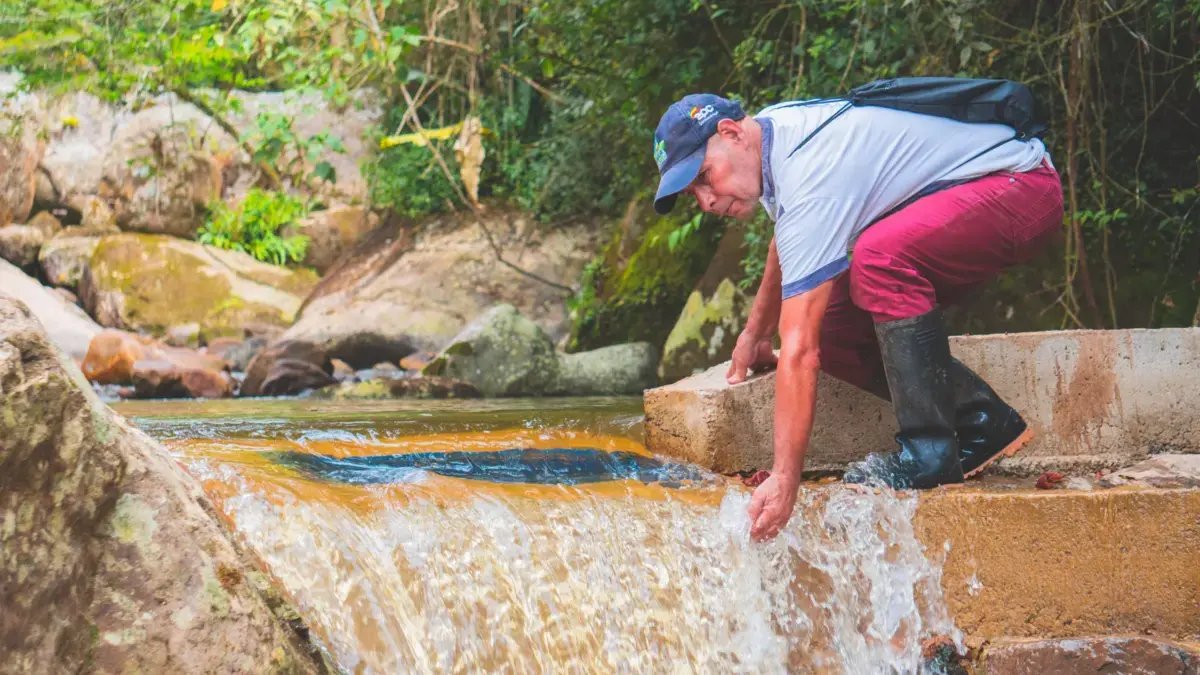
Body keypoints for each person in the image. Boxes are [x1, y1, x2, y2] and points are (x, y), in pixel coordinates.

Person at [651, 92, 1063, 541]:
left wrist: (785, 478)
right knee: (833, 325)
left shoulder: (809, 171)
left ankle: (930, 453)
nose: (706, 201)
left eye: (705, 177)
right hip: (976, 198)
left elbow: (801, 353)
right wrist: (756, 331)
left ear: (731, 133)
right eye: (694, 193)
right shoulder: (770, 138)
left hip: (1019, 188)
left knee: (879, 258)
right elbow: (785, 241)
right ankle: (982, 421)